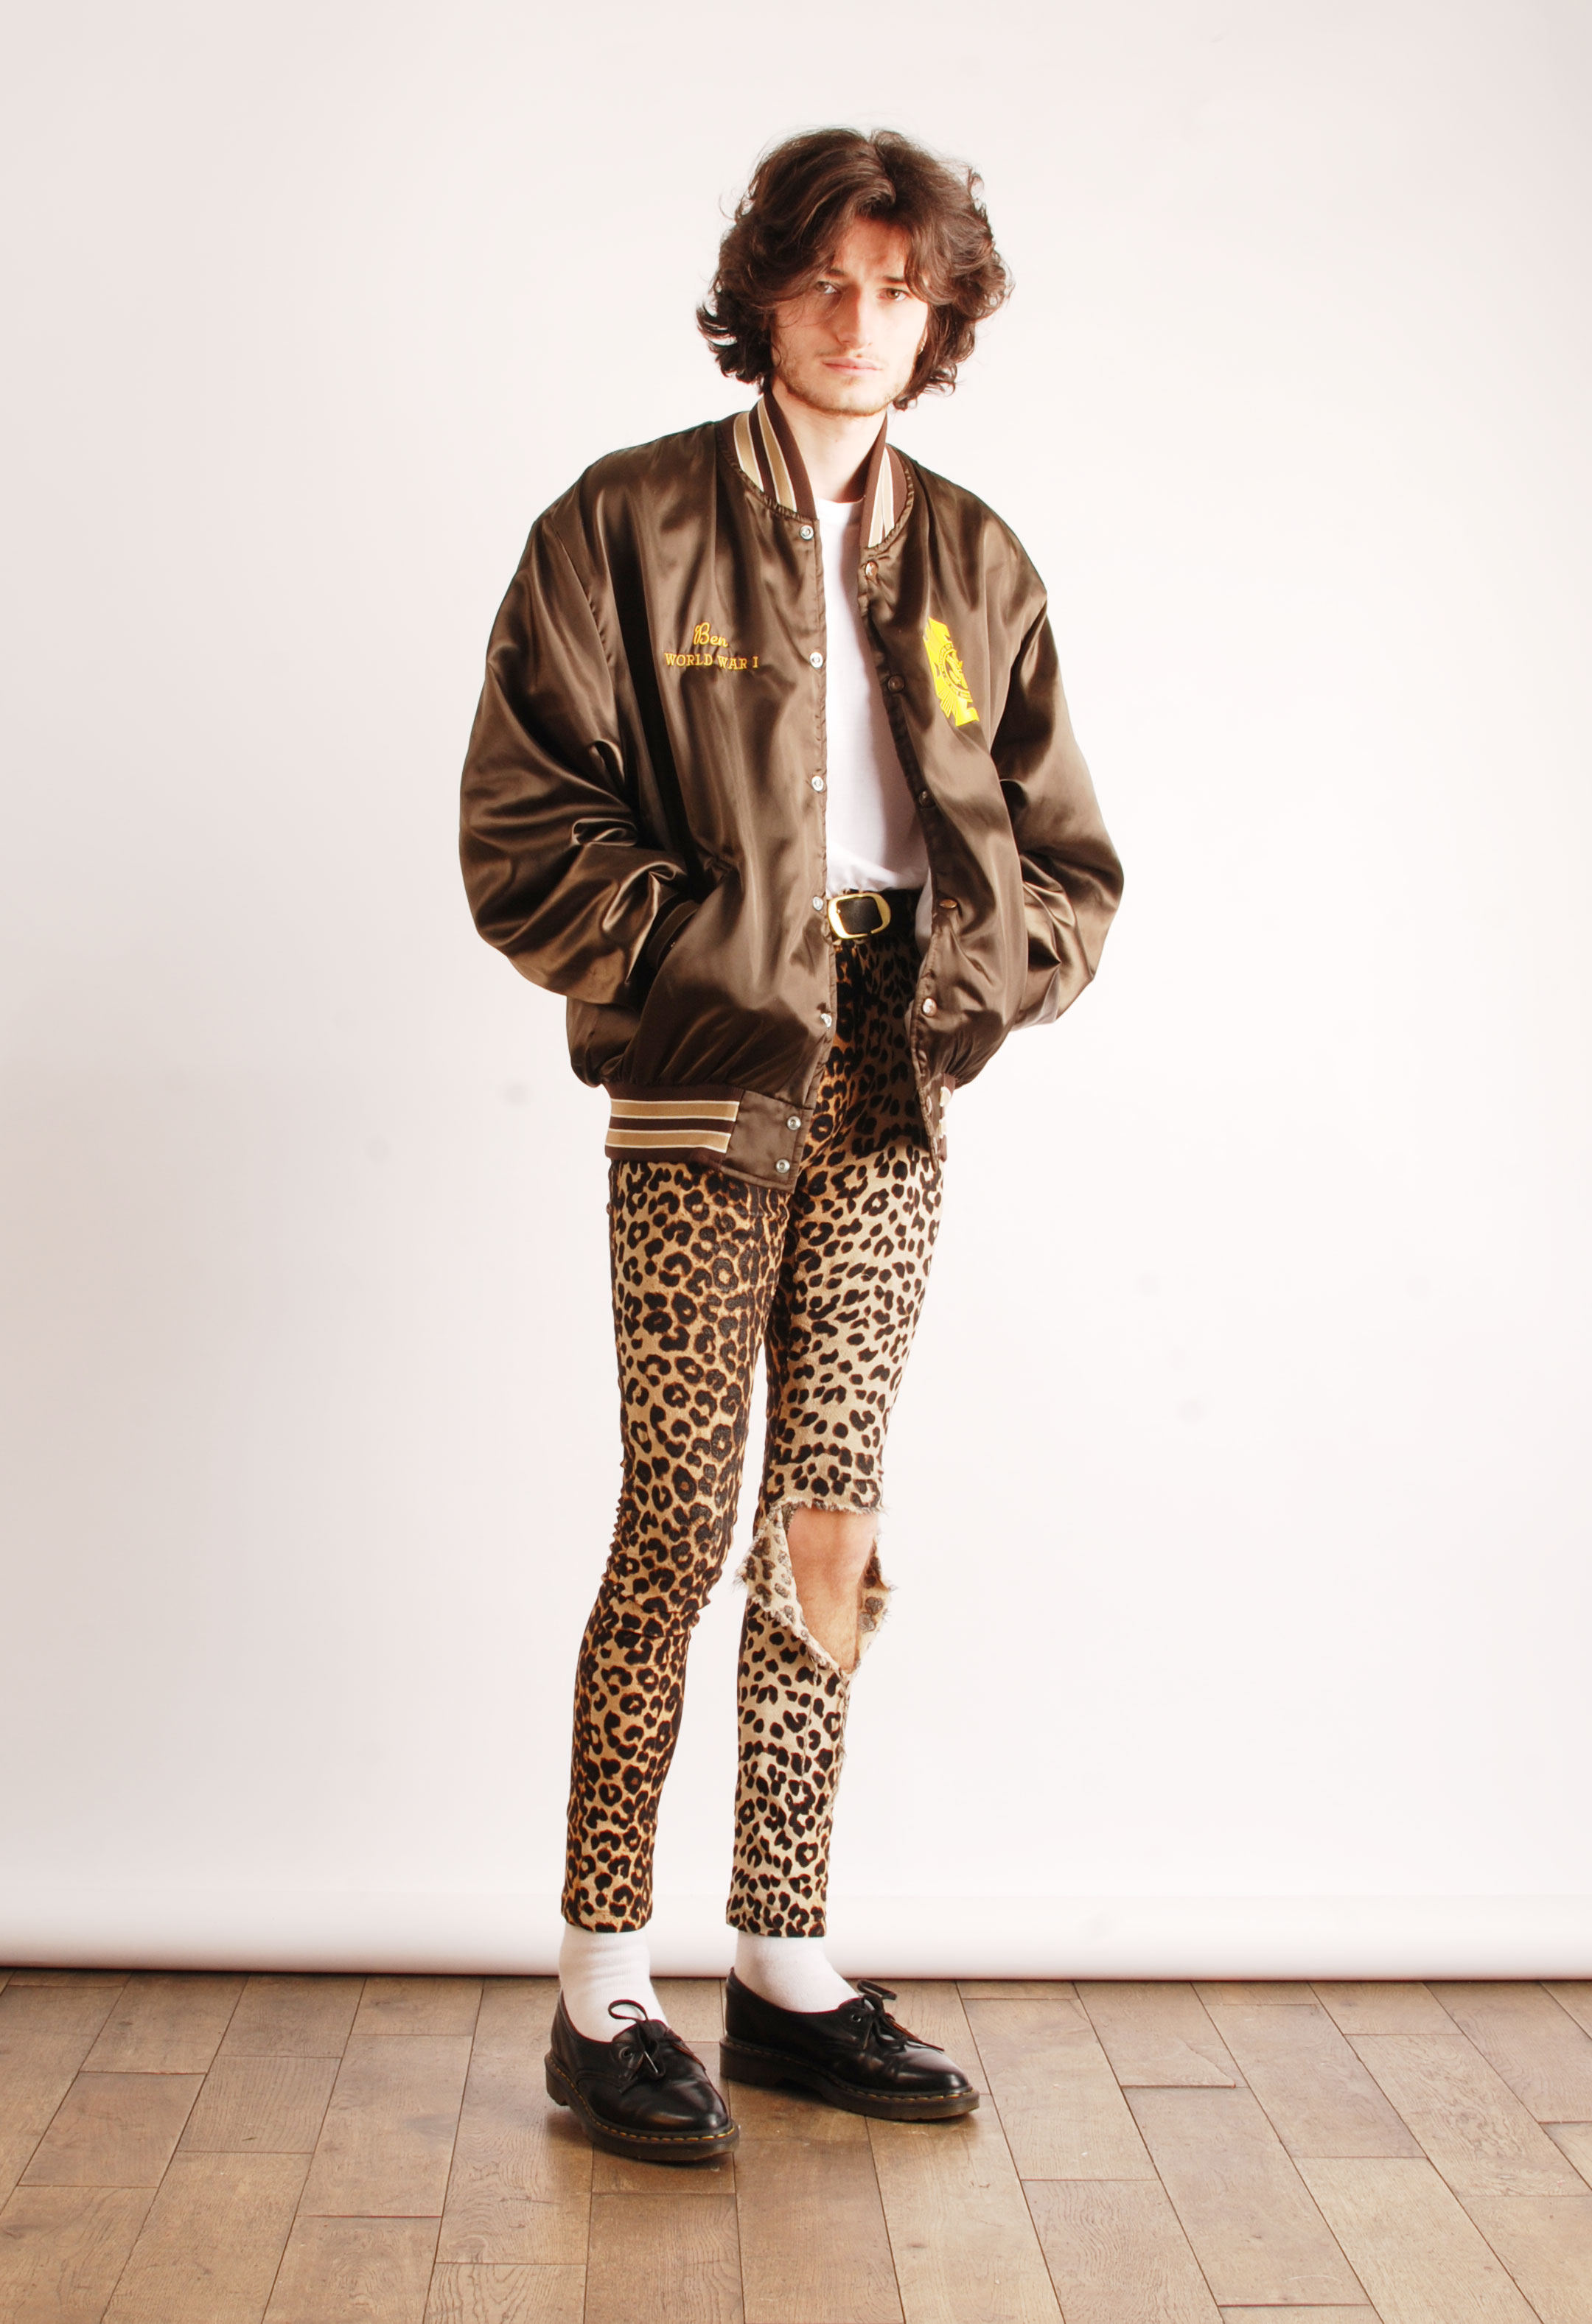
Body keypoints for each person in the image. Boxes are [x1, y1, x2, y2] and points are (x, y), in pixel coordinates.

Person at [459, 127, 1123, 2163]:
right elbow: (521, 826)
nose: (858, 319)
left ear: (941, 318)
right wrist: (707, 955)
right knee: (677, 1521)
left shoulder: (977, 559)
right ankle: (600, 1986)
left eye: (898, 289)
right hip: (703, 1085)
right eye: (826, 280)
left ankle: (786, 1964)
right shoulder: (625, 523)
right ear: (762, 292)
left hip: (894, 1089)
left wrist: (968, 983)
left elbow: (1071, 862)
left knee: (827, 1524)